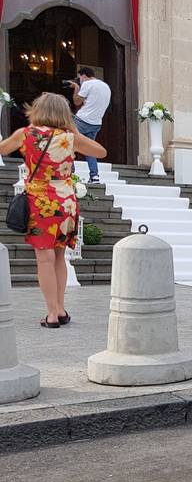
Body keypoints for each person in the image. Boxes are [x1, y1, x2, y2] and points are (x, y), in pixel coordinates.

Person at [0, 92, 106, 328]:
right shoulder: (69, 137)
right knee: (59, 256)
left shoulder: (25, 134)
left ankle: (51, 314)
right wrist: (75, 134)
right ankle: (60, 309)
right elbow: (100, 152)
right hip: (65, 202)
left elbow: (3, 150)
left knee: (44, 259)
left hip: (40, 202)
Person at [69, 66, 111, 183]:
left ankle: (70, 174)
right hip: (96, 123)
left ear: (83, 75)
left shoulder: (87, 84)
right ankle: (94, 176)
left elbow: (77, 101)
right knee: (89, 149)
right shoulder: (105, 86)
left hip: (82, 120)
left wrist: (76, 87)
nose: (80, 80)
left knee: (68, 144)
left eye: (80, 78)